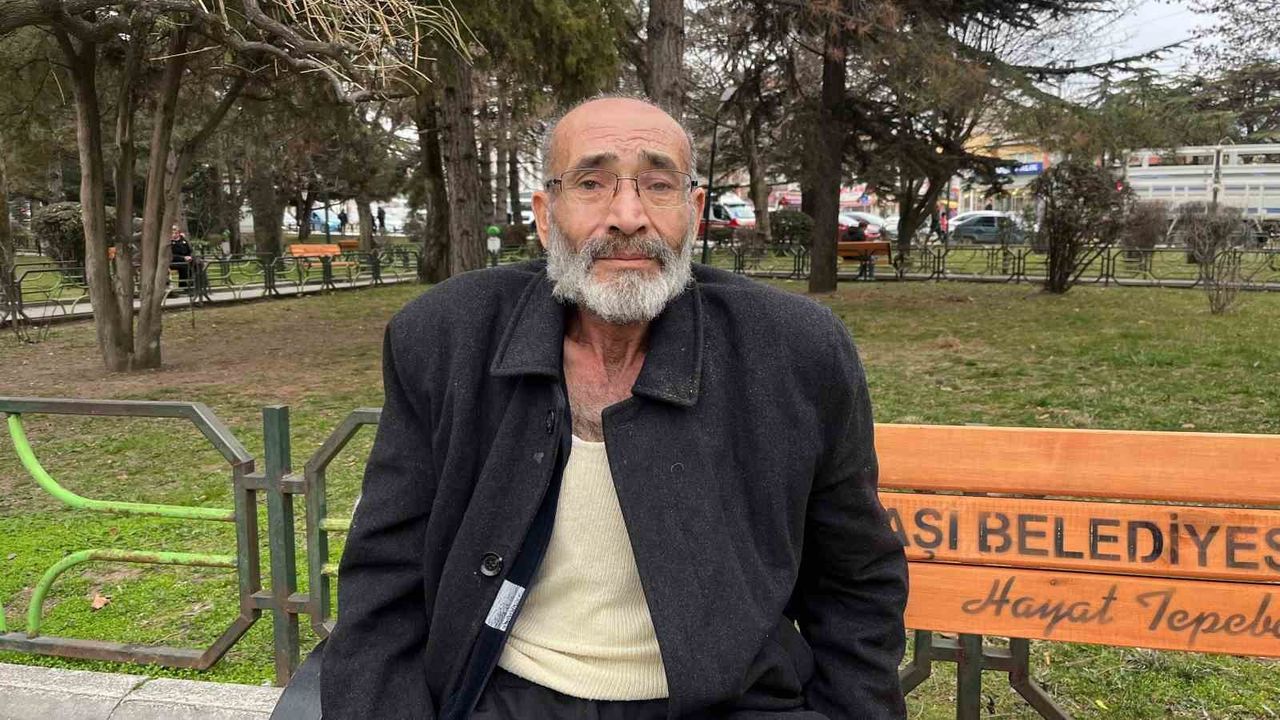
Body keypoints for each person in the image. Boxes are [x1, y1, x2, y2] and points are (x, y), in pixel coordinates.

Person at [322, 96, 907, 720]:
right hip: (502, 694)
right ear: (545, 215)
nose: (627, 217)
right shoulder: (445, 336)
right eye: (591, 183)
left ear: (694, 212)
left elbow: (855, 578)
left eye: (658, 185)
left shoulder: (795, 351)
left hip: (734, 701)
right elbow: (385, 577)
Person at [168, 225, 194, 295]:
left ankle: (198, 284)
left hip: (186, 260)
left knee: (197, 264)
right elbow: (170, 255)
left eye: (176, 232)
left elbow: (189, 250)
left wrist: (190, 257)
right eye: (172, 232)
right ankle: (184, 286)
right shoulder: (169, 242)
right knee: (184, 266)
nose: (174, 234)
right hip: (173, 262)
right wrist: (183, 258)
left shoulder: (183, 240)